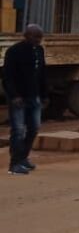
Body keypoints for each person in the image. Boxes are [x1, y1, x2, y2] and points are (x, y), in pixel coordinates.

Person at [4, 24, 48, 175]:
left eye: (40, 37)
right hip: (19, 98)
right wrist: (14, 95)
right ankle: (14, 164)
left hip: (34, 97)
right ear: (26, 36)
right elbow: (7, 76)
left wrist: (44, 95)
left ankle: (23, 158)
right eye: (36, 37)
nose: (38, 40)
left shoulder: (39, 51)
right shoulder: (14, 51)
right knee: (18, 130)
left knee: (34, 127)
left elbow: (42, 74)